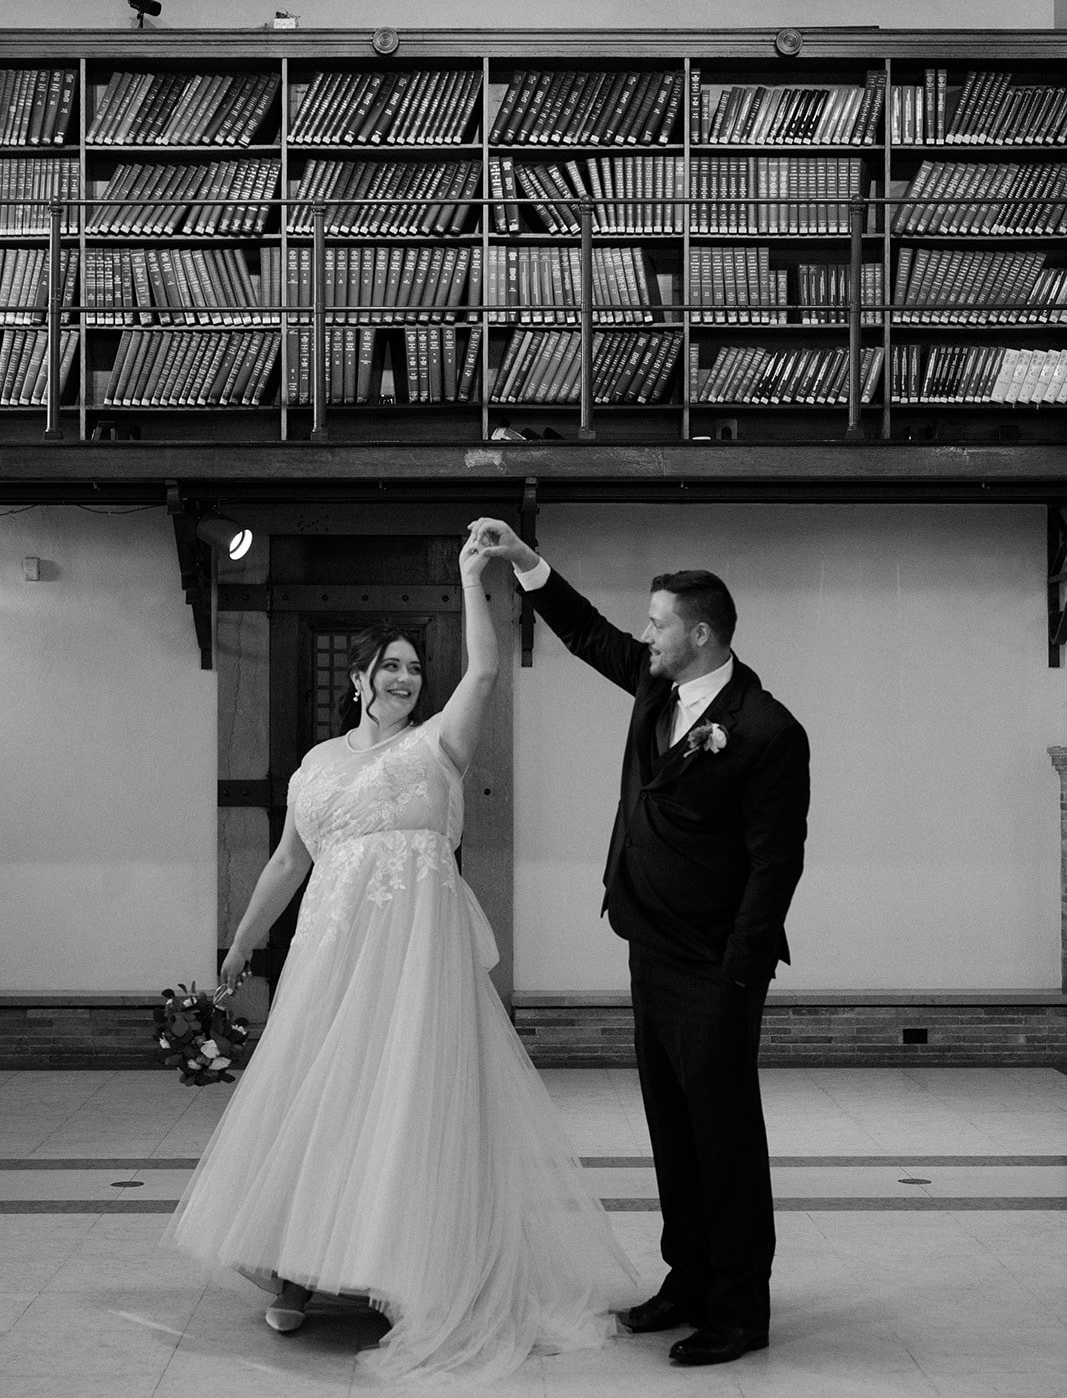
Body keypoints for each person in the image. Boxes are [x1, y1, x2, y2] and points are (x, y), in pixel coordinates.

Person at [165, 530, 636, 1383]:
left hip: (414, 956)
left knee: (407, 1096)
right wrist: (237, 948)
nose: (403, 678)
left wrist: (472, 580)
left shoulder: (438, 747)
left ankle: (402, 1267)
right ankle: (294, 1265)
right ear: (357, 678)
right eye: (389, 665)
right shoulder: (314, 765)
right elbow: (286, 862)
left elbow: (486, 674)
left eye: (414, 667)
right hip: (330, 953)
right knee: (317, 1091)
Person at [469, 517, 810, 1369]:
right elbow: (586, 633)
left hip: (715, 967)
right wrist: (522, 561)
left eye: (657, 623)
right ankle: (686, 1279)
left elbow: (776, 865)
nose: (644, 635)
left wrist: (738, 971)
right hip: (648, 946)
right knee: (671, 1126)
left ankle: (737, 1310)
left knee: (723, 1138)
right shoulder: (658, 690)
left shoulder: (767, 730)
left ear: (698, 634)